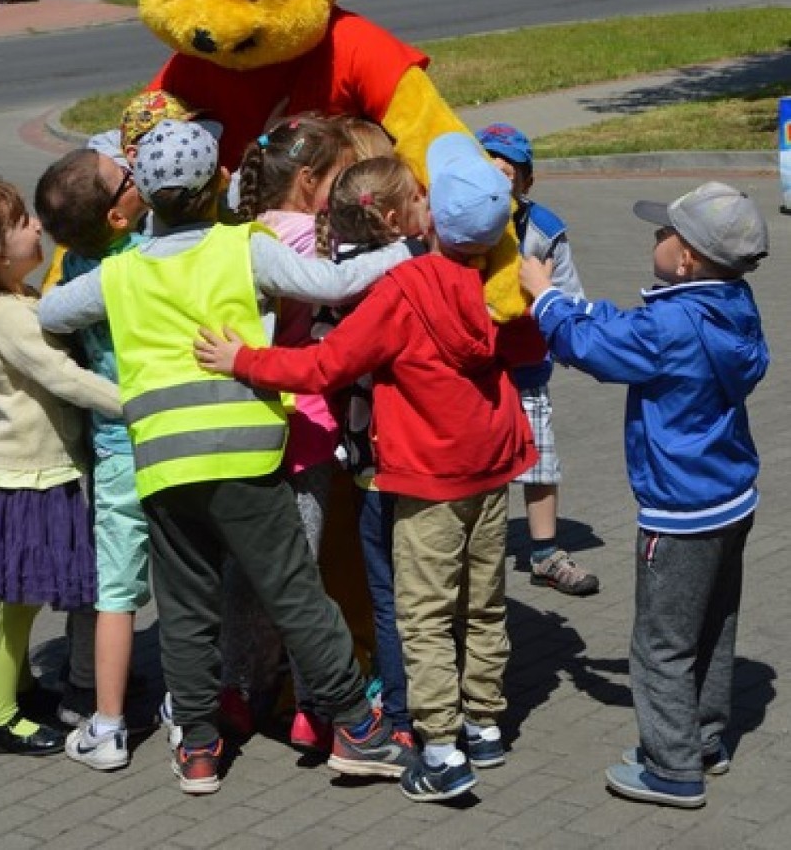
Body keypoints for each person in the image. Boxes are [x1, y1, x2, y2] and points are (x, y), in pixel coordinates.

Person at [37, 119, 420, 796]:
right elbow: (330, 284)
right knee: (296, 594)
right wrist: (410, 250)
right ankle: (358, 729)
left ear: (147, 198)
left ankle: (200, 750)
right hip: (244, 455)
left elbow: (51, 315)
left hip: (162, 464)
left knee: (184, 610)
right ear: (219, 183)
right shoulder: (245, 248)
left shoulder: (121, 274)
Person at [195, 133, 545, 803]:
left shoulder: (403, 288)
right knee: (483, 602)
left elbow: (326, 364)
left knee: (423, 613)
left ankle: (439, 747)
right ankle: (489, 724)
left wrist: (245, 360)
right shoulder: (498, 286)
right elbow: (528, 346)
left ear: (431, 219)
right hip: (493, 467)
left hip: (426, 477)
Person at [520, 181, 770, 810]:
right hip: (730, 499)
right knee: (713, 626)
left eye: (665, 233)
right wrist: (587, 308)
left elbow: (593, 349)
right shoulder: (731, 304)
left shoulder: (670, 325)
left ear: (685, 259)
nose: (654, 238)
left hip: (677, 513)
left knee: (660, 643)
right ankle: (704, 738)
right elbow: (633, 328)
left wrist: (544, 298)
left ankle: (671, 767)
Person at [0, 179, 121, 758]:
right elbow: (61, 376)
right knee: (16, 602)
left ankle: (17, 688)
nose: (36, 227)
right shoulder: (8, 317)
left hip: (36, 473)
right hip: (24, 480)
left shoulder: (17, 300)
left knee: (20, 597)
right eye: (21, 223)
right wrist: (129, 400)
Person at [220, 113, 356, 752]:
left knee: (247, 572)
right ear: (307, 180)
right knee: (302, 575)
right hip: (305, 421)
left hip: (245, 418)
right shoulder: (307, 236)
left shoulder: (239, 231)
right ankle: (315, 702)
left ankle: (241, 688)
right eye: (336, 178)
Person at [35, 147, 150, 770]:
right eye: (124, 178)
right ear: (117, 217)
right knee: (191, 578)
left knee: (116, 588)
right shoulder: (144, 259)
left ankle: (106, 724)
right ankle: (194, 715)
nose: (133, 176)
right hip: (158, 441)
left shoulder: (74, 270)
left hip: (111, 451)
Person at [312, 155, 430, 753]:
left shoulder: (328, 275)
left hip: (359, 460)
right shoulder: (411, 273)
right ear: (390, 216)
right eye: (418, 198)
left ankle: (389, 702)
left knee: (384, 590)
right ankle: (409, 709)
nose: (426, 206)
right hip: (408, 455)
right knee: (407, 593)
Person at [476, 123, 599, 597]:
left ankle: (545, 552)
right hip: (471, 371)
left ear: (525, 183)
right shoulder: (451, 223)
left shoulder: (544, 230)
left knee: (540, 460)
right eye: (487, 170)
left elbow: (570, 298)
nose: (498, 180)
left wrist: (572, 336)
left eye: (508, 173)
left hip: (525, 366)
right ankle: (476, 552)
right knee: (479, 463)